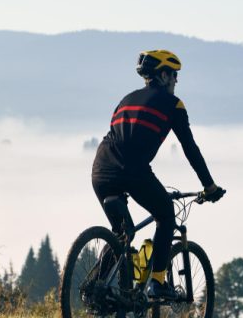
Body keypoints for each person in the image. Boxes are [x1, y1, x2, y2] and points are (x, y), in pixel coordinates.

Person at [92, 49, 225, 299]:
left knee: (122, 234)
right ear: (163, 75)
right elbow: (190, 148)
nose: (177, 80)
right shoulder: (173, 104)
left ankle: (99, 289)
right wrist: (209, 186)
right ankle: (157, 282)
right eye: (174, 74)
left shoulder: (127, 98)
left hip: (100, 168)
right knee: (165, 214)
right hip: (133, 170)